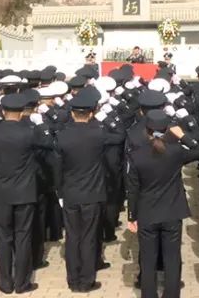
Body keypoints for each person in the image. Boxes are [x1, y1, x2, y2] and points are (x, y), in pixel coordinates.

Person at [127, 109, 199, 298]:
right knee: (172, 258)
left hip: (147, 212)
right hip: (172, 211)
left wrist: (132, 216)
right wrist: (183, 136)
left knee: (147, 259)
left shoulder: (137, 155)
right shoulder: (176, 151)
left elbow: (133, 189)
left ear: (147, 130)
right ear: (167, 129)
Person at [53, 88, 124, 293]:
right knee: (89, 237)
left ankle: (73, 279)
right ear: (92, 112)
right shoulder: (99, 133)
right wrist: (108, 119)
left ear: (73, 112)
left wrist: (59, 192)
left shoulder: (62, 136)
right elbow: (119, 136)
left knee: (72, 237)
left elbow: (57, 169)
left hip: (70, 193)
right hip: (93, 193)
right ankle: (87, 280)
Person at [0, 92, 51, 294]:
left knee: (3, 238)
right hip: (25, 191)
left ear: (3, 111)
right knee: (23, 237)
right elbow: (48, 145)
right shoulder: (29, 132)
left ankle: (4, 283)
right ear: (22, 112)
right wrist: (40, 125)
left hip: (1, 191)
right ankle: (22, 283)